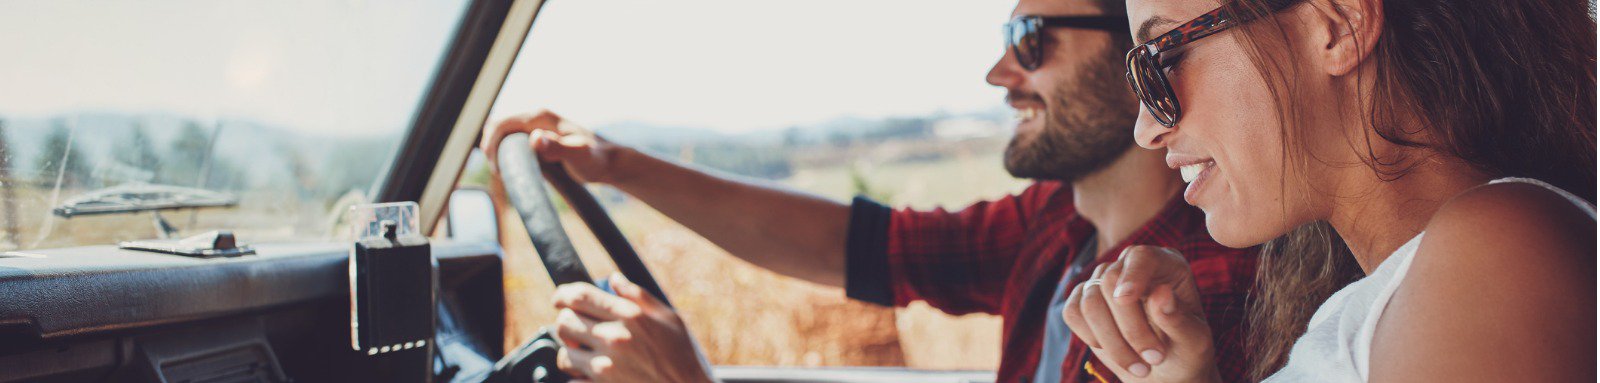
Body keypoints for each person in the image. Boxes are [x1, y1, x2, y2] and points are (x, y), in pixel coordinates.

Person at [481, 0, 1261, 381]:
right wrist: (616, 165)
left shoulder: (1187, 297)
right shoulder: (1056, 225)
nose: (999, 73)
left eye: (1031, 41)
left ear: (1141, 55)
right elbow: (848, 244)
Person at [1063, 0, 1596, 381]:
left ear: (1338, 25)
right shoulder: (1380, 298)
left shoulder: (1496, 253)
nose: (1146, 130)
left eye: (1160, 59)